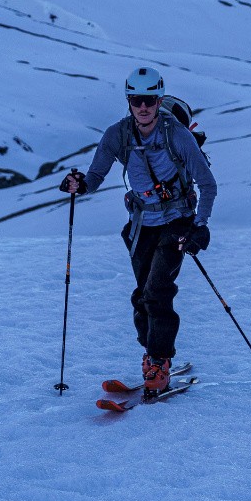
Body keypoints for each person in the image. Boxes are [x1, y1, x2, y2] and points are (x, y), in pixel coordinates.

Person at [60, 66, 216, 396]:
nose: (143, 107)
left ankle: (159, 361)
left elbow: (207, 184)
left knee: (158, 291)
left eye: (149, 100)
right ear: (128, 101)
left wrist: (200, 226)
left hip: (177, 223)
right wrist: (78, 185)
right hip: (141, 224)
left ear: (158, 100)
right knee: (142, 295)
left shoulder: (177, 135)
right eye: (136, 100)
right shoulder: (117, 134)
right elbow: (94, 177)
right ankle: (153, 354)